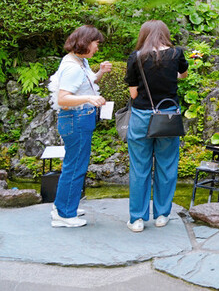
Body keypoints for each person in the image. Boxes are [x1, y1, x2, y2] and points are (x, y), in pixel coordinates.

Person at [124, 20, 189, 232]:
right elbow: (182, 75)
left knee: (139, 168)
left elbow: (133, 93)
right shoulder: (176, 54)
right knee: (167, 166)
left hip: (142, 117)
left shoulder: (136, 57)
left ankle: (137, 219)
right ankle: (162, 215)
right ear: (165, 33)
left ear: (144, 35)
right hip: (167, 118)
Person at [52, 25, 112, 228]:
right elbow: (63, 98)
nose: (97, 48)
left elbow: (87, 81)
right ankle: (65, 215)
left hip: (78, 118)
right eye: (96, 43)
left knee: (73, 163)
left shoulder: (79, 61)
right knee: (76, 166)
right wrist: (90, 98)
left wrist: (100, 72)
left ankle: (64, 205)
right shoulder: (72, 67)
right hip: (75, 119)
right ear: (86, 42)